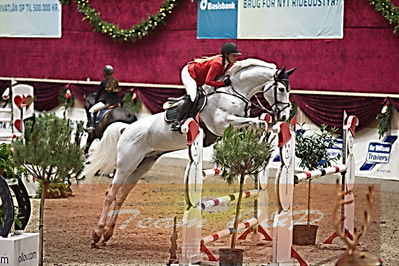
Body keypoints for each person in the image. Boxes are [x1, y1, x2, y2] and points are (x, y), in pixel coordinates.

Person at [171, 42, 241, 131]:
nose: (236, 58)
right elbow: (208, 81)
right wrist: (223, 83)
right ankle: (177, 122)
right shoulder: (217, 63)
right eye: (234, 55)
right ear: (227, 55)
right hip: (190, 73)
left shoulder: (228, 64)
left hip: (200, 77)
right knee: (193, 96)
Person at [87, 65, 121, 132]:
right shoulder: (116, 81)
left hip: (107, 102)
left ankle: (92, 127)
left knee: (91, 110)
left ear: (105, 73)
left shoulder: (103, 82)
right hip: (117, 102)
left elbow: (99, 94)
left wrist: (96, 101)